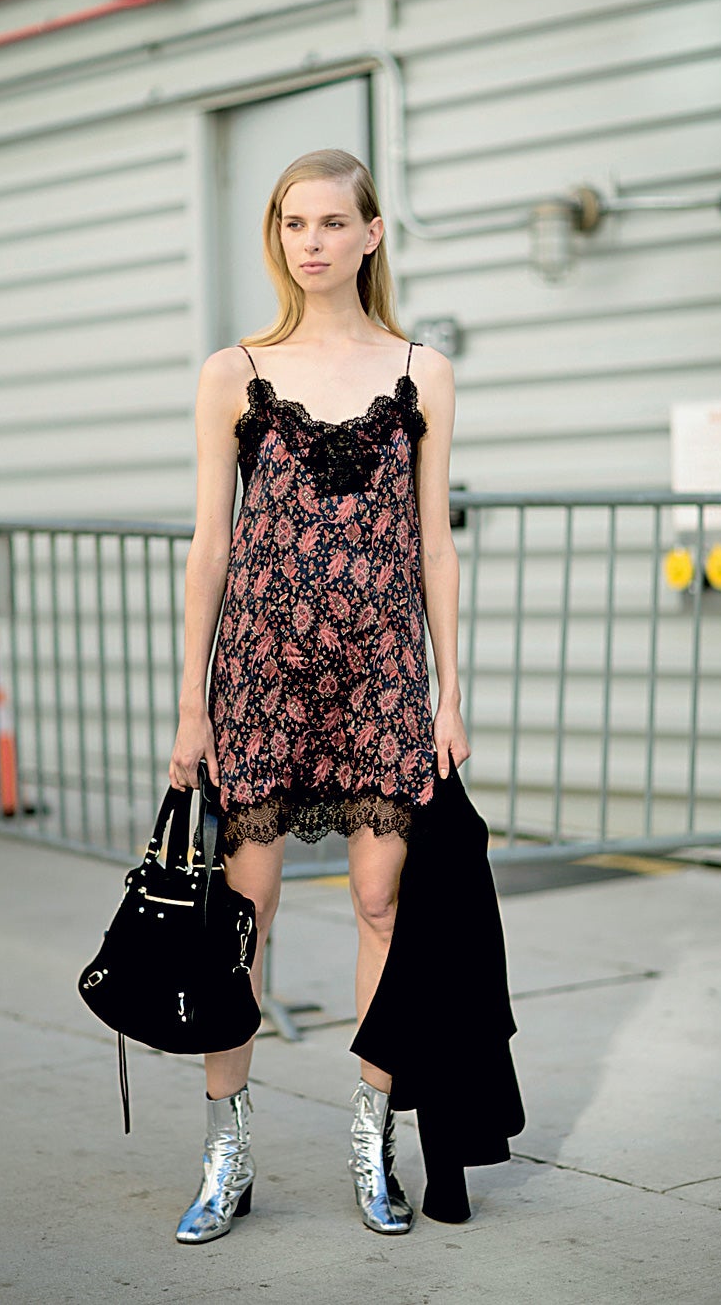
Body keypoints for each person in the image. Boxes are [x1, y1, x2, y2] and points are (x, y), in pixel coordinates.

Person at [167, 147, 470, 1243]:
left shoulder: (422, 371)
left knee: (385, 905)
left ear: (371, 235)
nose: (312, 242)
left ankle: (371, 1140)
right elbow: (210, 547)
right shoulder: (233, 371)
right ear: (279, 236)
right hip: (257, 673)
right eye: (296, 224)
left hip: (383, 674)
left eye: (334, 223)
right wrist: (190, 704)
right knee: (242, 918)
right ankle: (225, 1151)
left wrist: (448, 690)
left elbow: (435, 540)